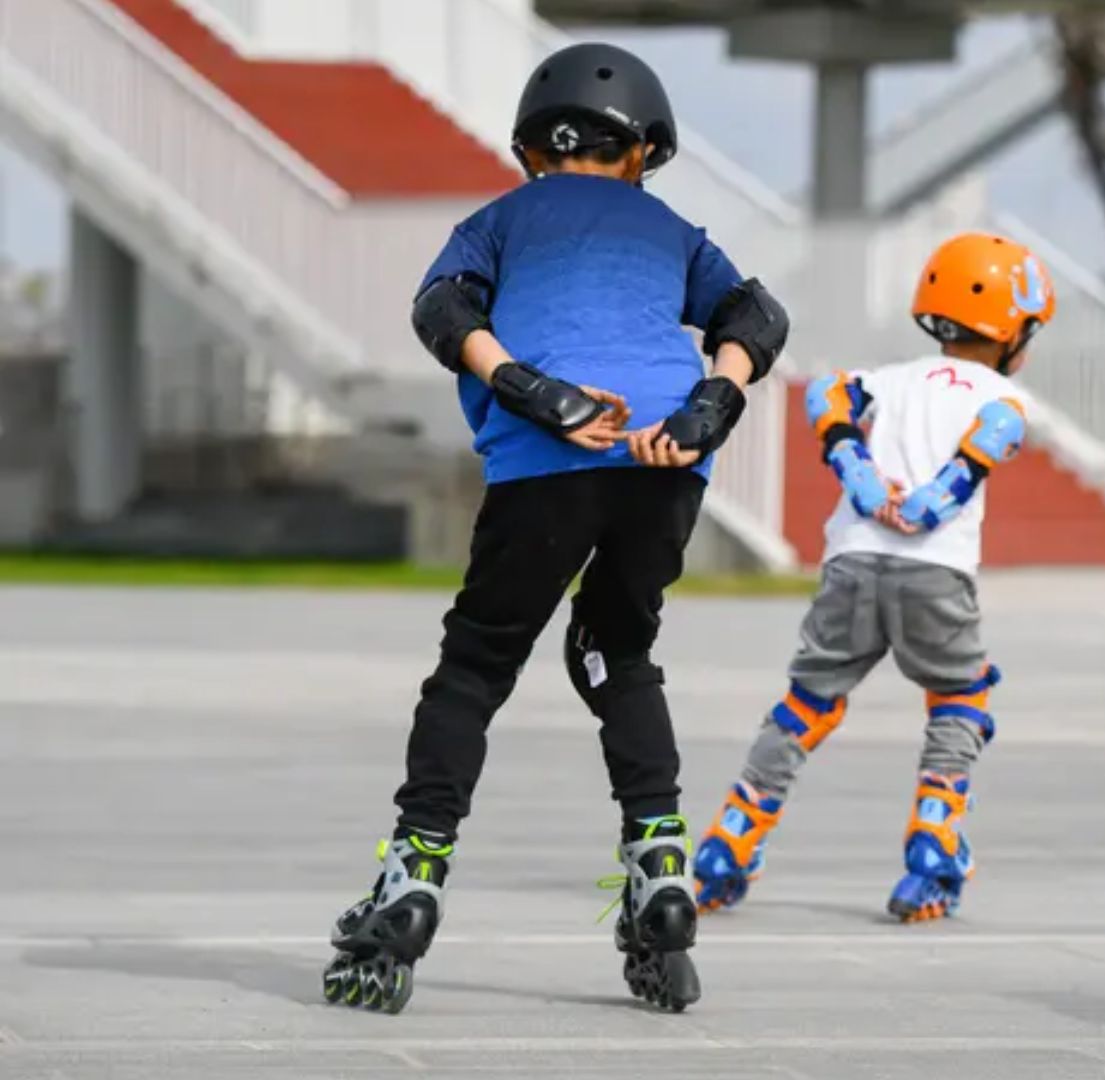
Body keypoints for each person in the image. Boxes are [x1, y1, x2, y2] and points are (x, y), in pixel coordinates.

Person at [320, 41, 789, 1016]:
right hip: (665, 456)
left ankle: (412, 876)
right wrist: (712, 401)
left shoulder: (498, 220)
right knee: (620, 649)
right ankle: (661, 868)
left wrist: (527, 386)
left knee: (477, 666)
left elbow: (443, 310)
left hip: (550, 458)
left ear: (534, 148)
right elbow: (755, 312)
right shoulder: (669, 228)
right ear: (642, 151)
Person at [689, 232, 1054, 923]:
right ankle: (933, 848)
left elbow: (827, 393)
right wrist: (936, 500)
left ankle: (731, 842)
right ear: (1011, 331)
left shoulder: (894, 380)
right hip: (934, 570)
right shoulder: (1002, 393)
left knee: (807, 703)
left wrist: (856, 472)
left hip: (851, 561)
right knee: (960, 699)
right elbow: (997, 433)